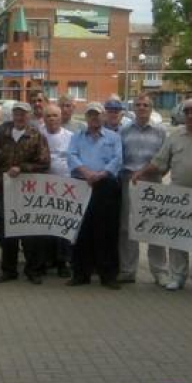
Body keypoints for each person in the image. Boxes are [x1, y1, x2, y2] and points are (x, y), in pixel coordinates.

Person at [133, 98, 192, 293]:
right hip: (177, 193)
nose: (191, 115)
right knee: (176, 235)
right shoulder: (175, 136)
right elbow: (159, 161)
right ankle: (178, 275)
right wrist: (140, 173)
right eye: (187, 112)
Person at [0, 101, 50, 284]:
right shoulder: (1, 133)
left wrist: (22, 168)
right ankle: (8, 270)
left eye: (23, 114)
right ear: (12, 115)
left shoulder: (36, 135)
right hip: (6, 190)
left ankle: (32, 270)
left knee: (30, 233)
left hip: (28, 193)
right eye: (17, 113)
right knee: (7, 234)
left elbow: (44, 163)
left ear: (29, 115)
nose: (19, 117)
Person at [67, 102, 123, 289]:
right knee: (81, 231)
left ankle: (108, 276)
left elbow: (117, 159)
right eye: (91, 115)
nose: (94, 118)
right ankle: (80, 274)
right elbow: (71, 156)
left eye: (97, 115)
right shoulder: (77, 137)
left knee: (107, 232)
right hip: (82, 185)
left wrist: (100, 174)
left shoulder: (114, 137)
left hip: (105, 186)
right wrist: (86, 173)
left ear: (103, 116)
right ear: (86, 117)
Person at [118, 94, 168, 285]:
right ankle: (128, 270)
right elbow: (119, 156)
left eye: (145, 105)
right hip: (129, 180)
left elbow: (166, 158)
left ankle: (159, 271)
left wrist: (157, 176)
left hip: (153, 182)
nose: (141, 108)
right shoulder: (124, 131)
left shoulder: (160, 131)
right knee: (127, 227)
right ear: (133, 108)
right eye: (138, 105)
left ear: (151, 108)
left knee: (155, 225)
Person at [40, 103, 74, 277]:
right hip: (42, 187)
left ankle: (63, 262)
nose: (52, 119)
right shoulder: (37, 134)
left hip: (65, 188)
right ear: (43, 118)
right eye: (48, 116)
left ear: (61, 118)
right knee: (45, 225)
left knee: (62, 225)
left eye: (55, 115)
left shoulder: (70, 136)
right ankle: (46, 259)